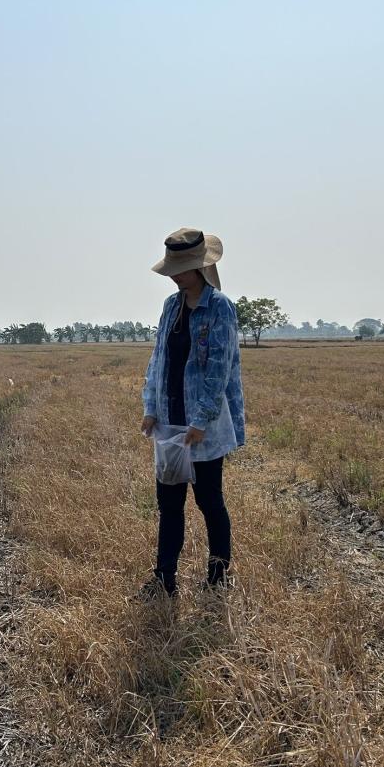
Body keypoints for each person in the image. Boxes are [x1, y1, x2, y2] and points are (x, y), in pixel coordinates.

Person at [141, 228, 245, 596]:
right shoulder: (171, 306)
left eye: (182, 267)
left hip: (204, 427)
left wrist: (201, 421)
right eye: (173, 267)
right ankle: (164, 578)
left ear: (200, 267)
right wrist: (150, 406)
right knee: (168, 504)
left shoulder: (220, 307)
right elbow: (159, 360)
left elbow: (220, 369)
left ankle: (217, 578)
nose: (175, 274)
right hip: (169, 422)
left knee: (208, 501)